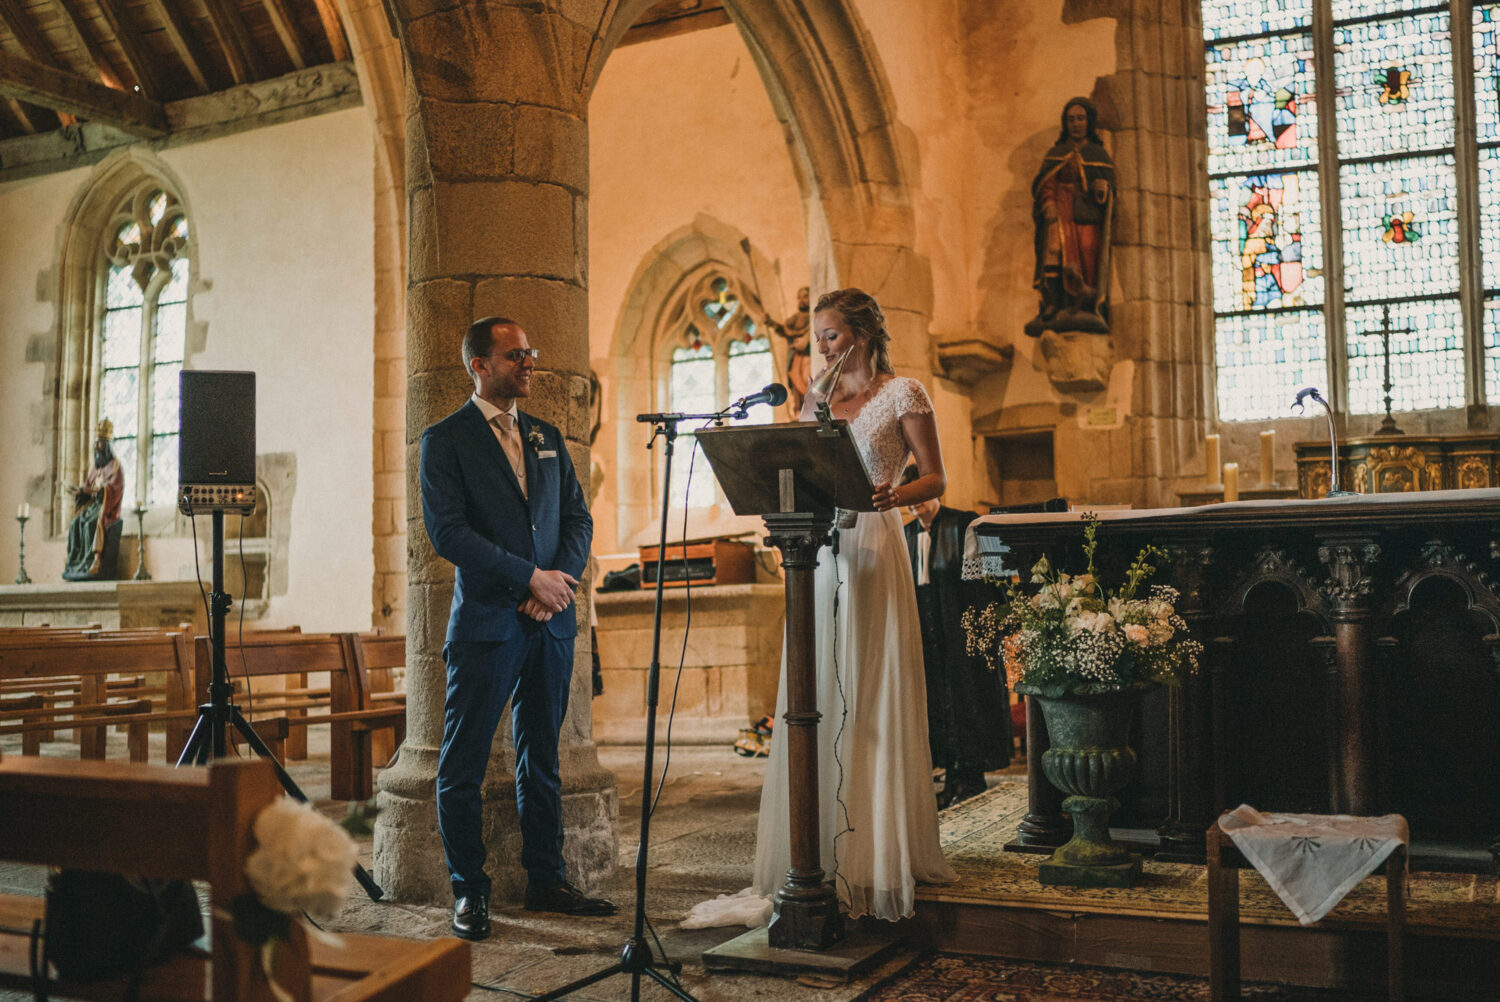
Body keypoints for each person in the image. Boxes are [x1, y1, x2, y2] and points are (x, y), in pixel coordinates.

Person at [755, 287, 955, 921]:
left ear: (862, 334)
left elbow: (936, 477)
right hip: (816, 551)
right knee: (819, 684)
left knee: (870, 682)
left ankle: (875, 849)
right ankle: (815, 851)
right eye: (817, 337)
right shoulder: (818, 398)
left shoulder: (903, 393)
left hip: (874, 540)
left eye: (832, 335)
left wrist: (893, 496)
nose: (822, 347)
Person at [419, 316, 613, 942]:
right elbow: (449, 533)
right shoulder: (445, 440)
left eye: (530, 352)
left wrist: (558, 584)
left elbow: (578, 519)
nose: (529, 362)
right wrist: (529, 579)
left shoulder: (546, 435)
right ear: (479, 365)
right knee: (464, 763)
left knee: (542, 757)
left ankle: (547, 879)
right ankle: (470, 892)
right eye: (514, 355)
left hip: (549, 622)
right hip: (487, 624)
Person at [899, 465, 1011, 807]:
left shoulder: (965, 523)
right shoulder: (905, 534)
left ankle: (970, 775)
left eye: (919, 495)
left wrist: (989, 627)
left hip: (961, 627)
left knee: (967, 699)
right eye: (908, 497)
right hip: (926, 630)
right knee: (935, 701)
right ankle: (948, 774)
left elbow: (991, 578)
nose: (915, 503)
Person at [1025, 96, 1115, 338]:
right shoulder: (1056, 153)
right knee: (1053, 251)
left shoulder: (1098, 154)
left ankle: (1087, 303)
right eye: (1071, 119)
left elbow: (1108, 190)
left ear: (1089, 122)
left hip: (1086, 216)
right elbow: (1046, 184)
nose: (1076, 124)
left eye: (1081, 119)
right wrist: (1048, 204)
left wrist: (1103, 191)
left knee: (1087, 250)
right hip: (1060, 209)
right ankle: (1054, 302)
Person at [62, 419, 125, 581]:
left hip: (106, 507)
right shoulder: (96, 467)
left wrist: (100, 490)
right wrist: (80, 491)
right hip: (93, 505)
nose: (97, 446)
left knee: (91, 524)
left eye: (101, 443)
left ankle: (93, 561)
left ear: (107, 445)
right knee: (75, 523)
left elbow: (115, 488)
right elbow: (87, 486)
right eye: (96, 443)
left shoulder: (115, 466)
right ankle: (75, 562)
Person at [763, 285, 812, 413]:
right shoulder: (794, 319)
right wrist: (770, 322)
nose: (802, 300)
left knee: (807, 379)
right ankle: (799, 410)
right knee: (795, 383)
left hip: (808, 356)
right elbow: (784, 330)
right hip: (794, 357)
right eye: (800, 297)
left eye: (805, 297)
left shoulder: (814, 318)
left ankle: (810, 407)